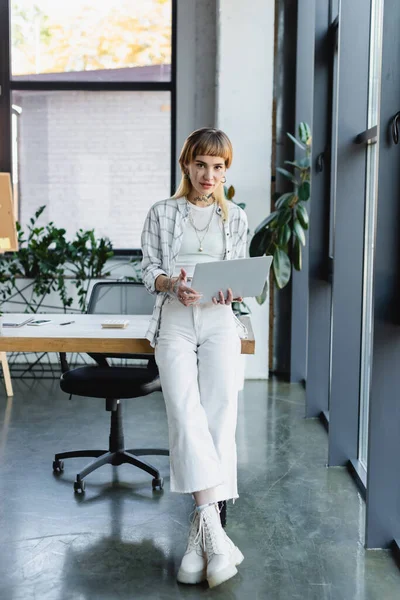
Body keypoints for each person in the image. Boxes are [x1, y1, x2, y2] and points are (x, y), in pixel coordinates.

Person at [141, 127, 248, 588]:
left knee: (220, 420)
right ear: (186, 164)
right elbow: (148, 268)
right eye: (201, 164)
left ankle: (199, 538)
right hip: (176, 321)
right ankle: (217, 536)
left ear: (226, 171)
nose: (209, 175)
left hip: (220, 319)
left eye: (218, 167)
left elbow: (242, 275)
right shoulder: (163, 212)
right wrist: (171, 284)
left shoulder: (237, 217)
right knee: (186, 417)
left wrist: (232, 286)